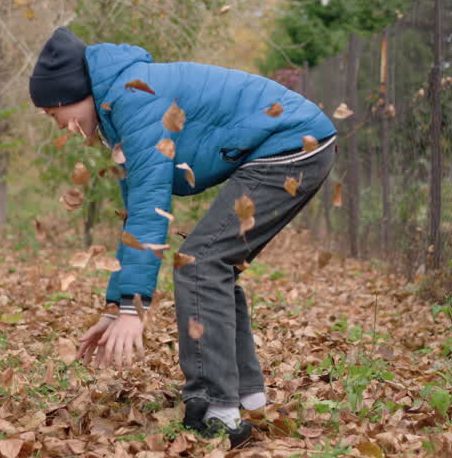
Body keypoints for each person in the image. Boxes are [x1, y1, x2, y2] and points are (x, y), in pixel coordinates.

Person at [29, 27, 336, 447]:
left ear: (72, 95)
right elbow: (136, 216)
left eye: (53, 114)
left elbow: (151, 204)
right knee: (212, 264)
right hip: (297, 145)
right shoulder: (121, 108)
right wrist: (117, 306)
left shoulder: (133, 100)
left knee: (200, 262)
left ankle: (217, 409)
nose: (59, 125)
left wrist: (137, 308)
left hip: (292, 146)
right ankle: (247, 395)